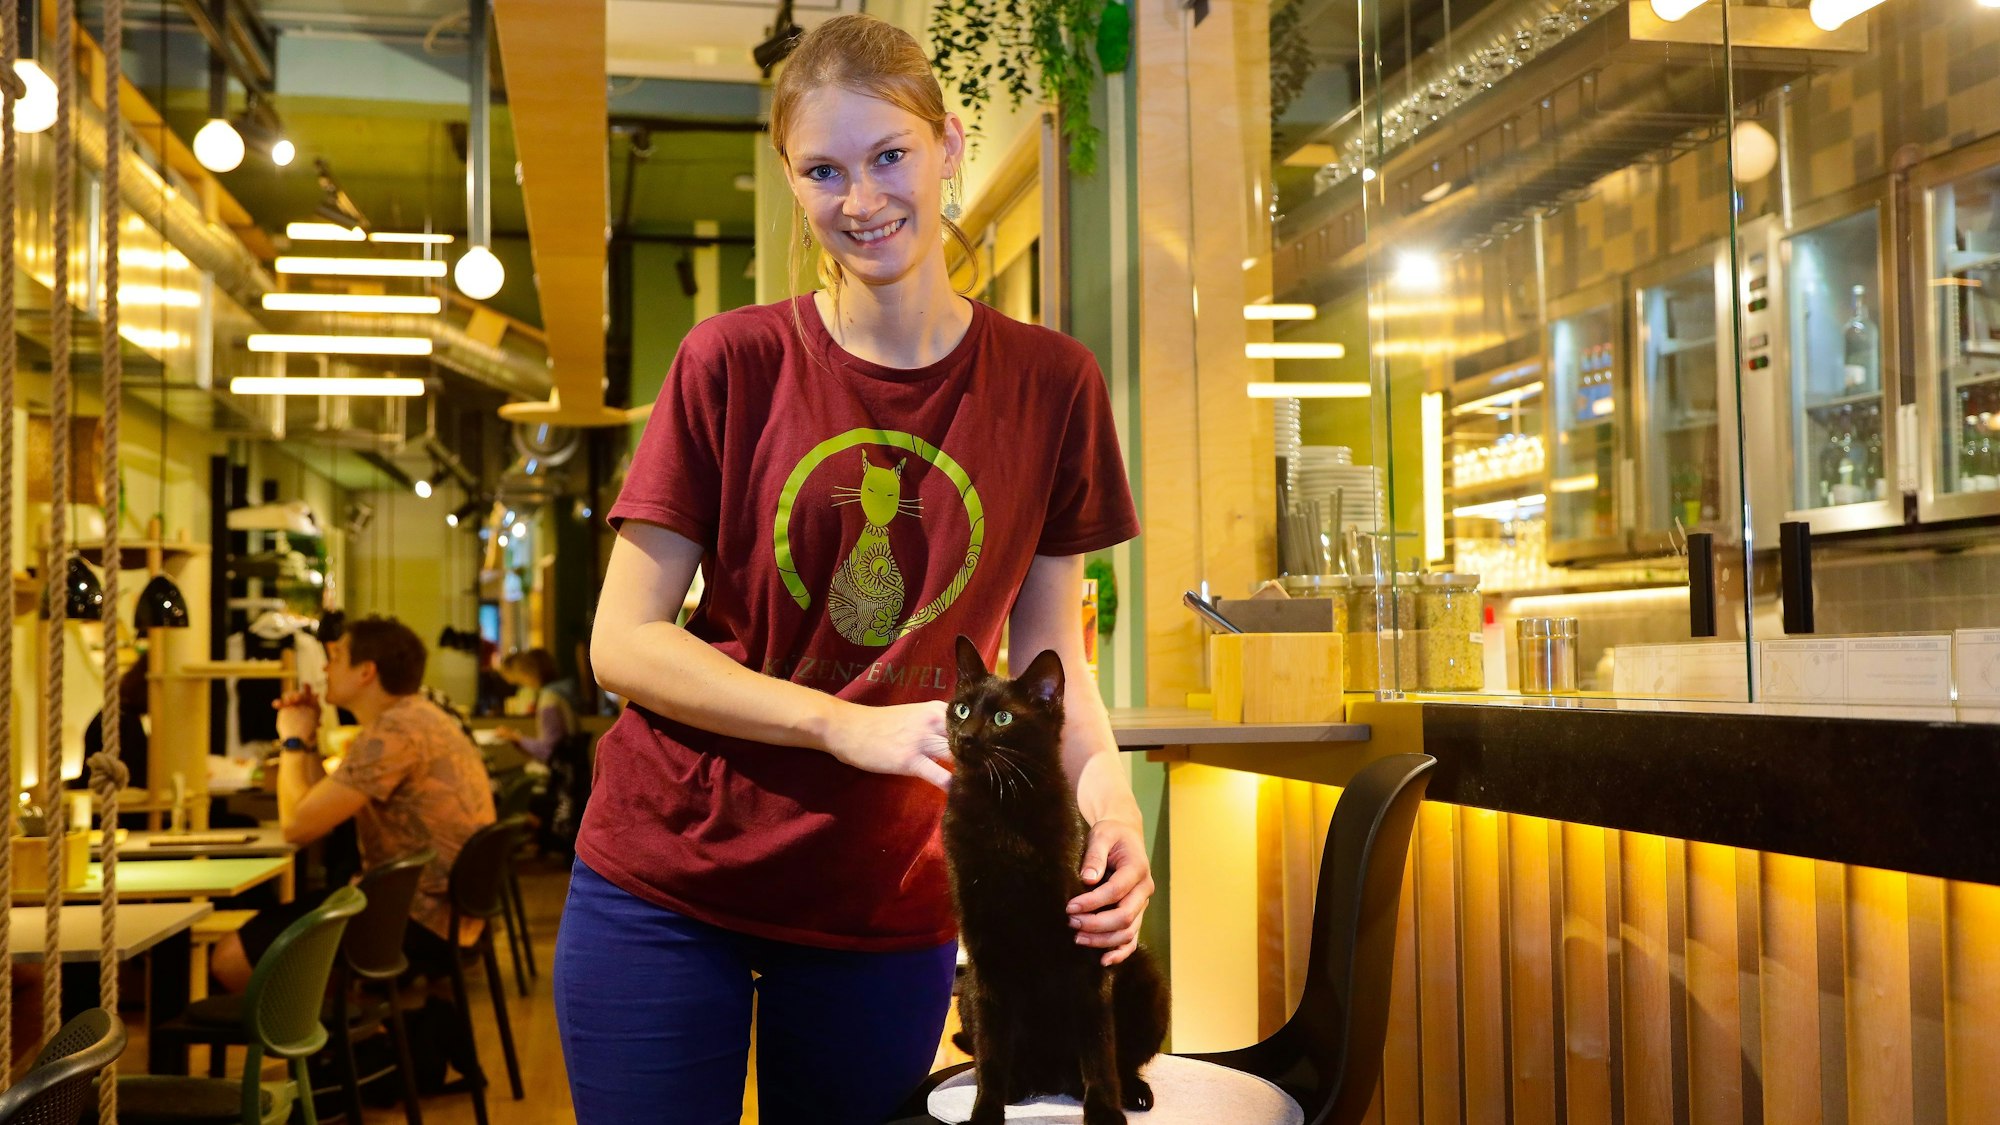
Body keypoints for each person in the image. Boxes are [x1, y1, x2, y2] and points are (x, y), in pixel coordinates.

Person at [554, 14, 1151, 1124]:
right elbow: (622, 643)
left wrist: (1106, 798)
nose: (860, 199)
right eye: (823, 170)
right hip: (668, 879)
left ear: (948, 145)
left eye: (887, 156)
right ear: (791, 179)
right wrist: (837, 722)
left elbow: (1053, 650)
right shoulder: (731, 359)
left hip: (886, 897)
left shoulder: (1052, 383)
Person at [212, 615, 498, 993]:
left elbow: (297, 827)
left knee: (231, 958)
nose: (326, 666)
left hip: (413, 918)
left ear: (366, 672)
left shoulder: (392, 734)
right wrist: (309, 738)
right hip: (444, 911)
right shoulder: (418, 718)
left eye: (336, 656)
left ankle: (347, 1045)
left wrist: (292, 741)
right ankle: (357, 1039)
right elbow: (316, 809)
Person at [493, 648, 576, 763]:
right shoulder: (561, 692)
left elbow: (547, 750)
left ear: (529, 672)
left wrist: (515, 737)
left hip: (562, 771)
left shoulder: (549, 699)